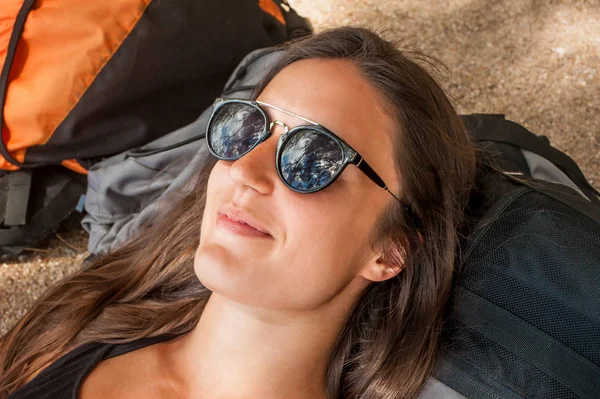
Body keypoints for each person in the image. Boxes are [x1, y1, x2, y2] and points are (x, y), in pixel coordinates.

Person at [0, 26, 478, 399]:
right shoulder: (78, 322)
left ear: (390, 250)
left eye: (313, 158)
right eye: (245, 128)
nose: (244, 171)